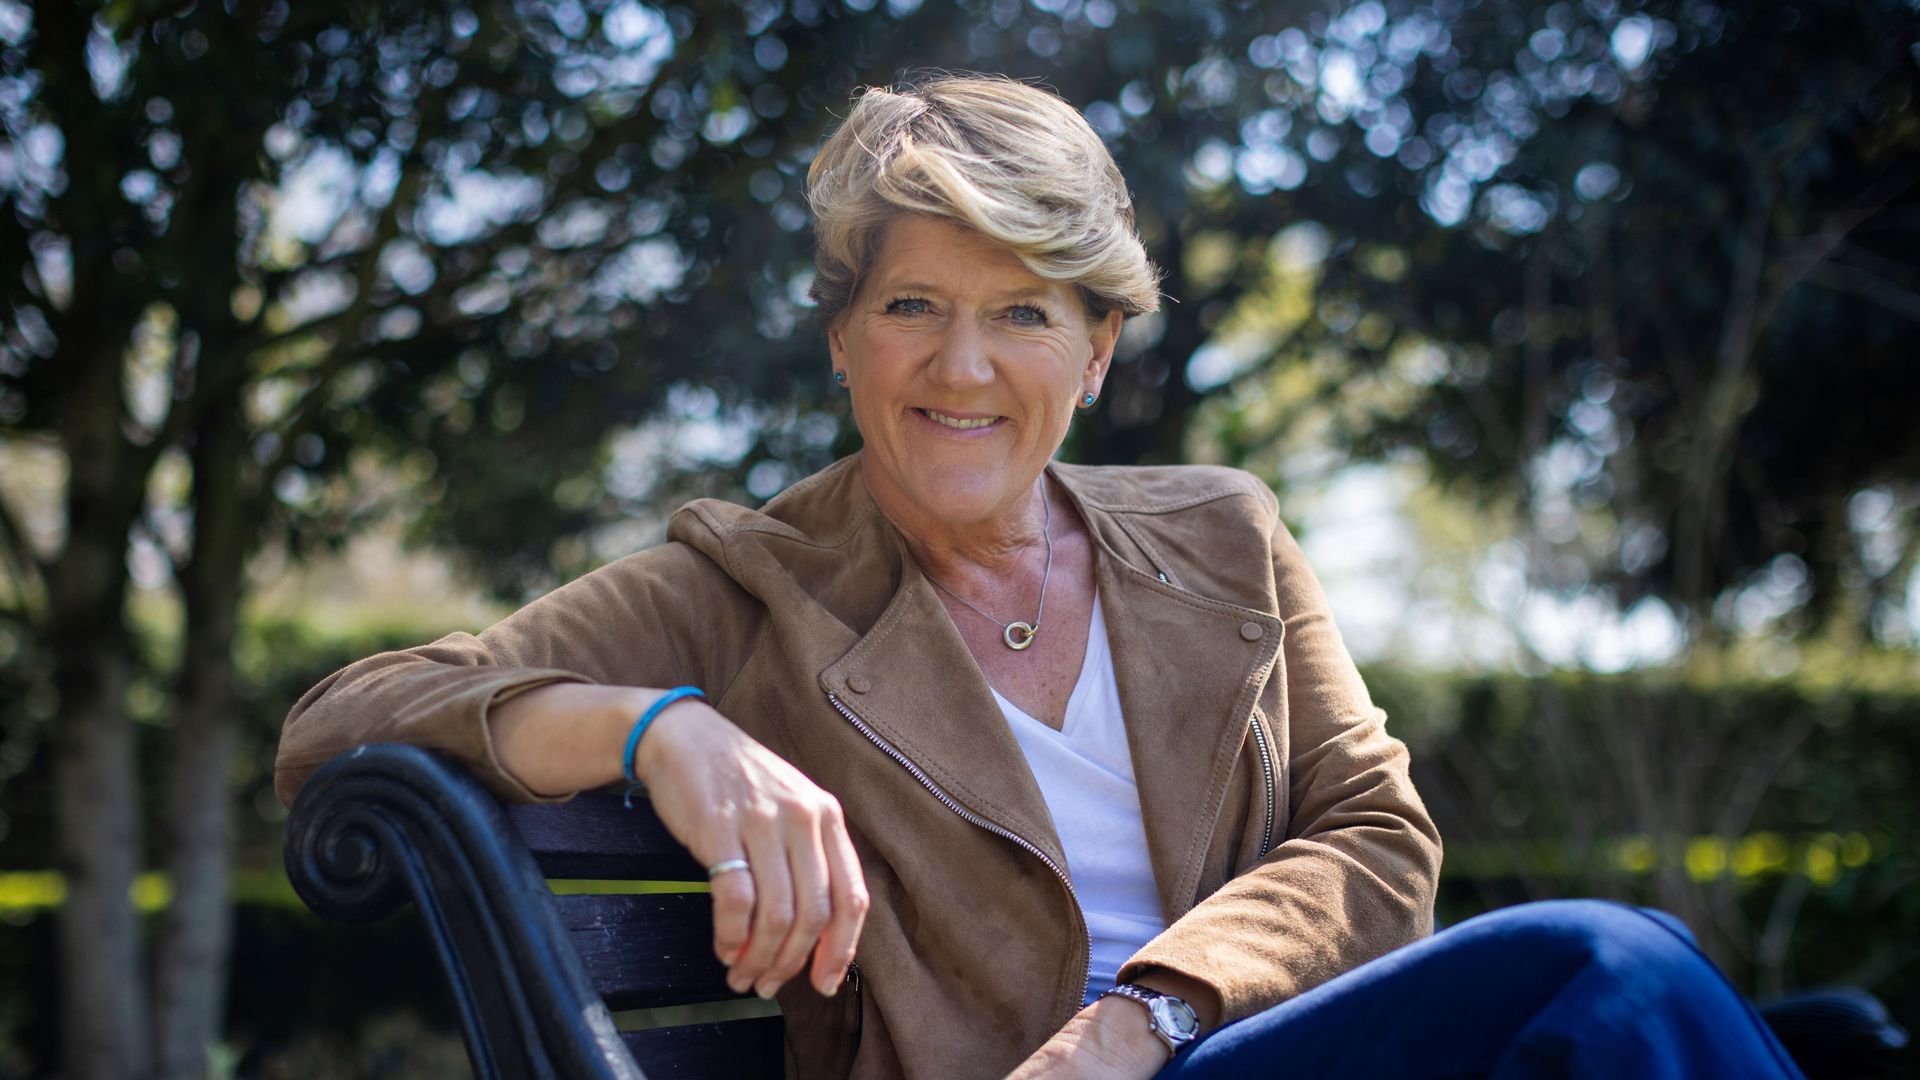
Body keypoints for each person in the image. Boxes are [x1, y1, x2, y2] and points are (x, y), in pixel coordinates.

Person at [276, 75, 1804, 1079]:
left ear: (1100, 348)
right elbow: (347, 723)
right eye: (913, 305)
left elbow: (1378, 842)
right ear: (841, 335)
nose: (961, 366)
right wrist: (659, 729)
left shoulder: (1227, 536)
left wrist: (1145, 1017)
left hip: (1216, 1052)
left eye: (1021, 312)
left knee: (1628, 984)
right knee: (1611, 962)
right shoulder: (744, 583)